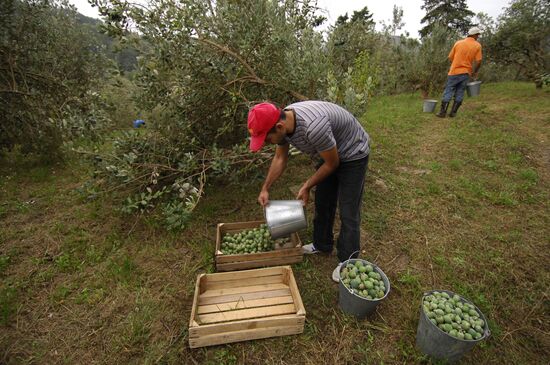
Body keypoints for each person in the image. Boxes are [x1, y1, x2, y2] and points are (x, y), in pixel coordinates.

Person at [247, 101, 370, 282]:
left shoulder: (314, 127)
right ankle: (322, 244)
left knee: (348, 210)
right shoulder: (284, 123)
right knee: (323, 200)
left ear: (279, 127)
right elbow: (280, 157)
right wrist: (265, 187)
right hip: (329, 151)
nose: (266, 143)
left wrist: (307, 185)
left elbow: (332, 164)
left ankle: (348, 261)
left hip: (353, 152)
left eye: (267, 139)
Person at [436, 26, 483, 118]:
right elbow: (479, 61)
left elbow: (450, 57)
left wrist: (457, 63)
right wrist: (475, 71)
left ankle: (442, 112)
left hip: (454, 71)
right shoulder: (477, 45)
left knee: (449, 90)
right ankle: (453, 113)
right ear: (474, 35)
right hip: (466, 72)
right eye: (478, 35)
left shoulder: (458, 43)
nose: (478, 36)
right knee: (460, 91)